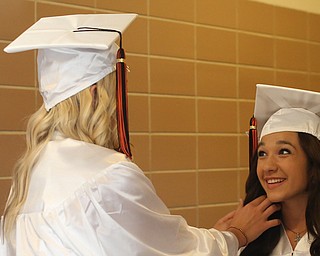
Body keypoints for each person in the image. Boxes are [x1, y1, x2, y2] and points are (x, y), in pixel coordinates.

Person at [0, 14, 280, 255]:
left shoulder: (29, 177)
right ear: (96, 94)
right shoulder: (107, 174)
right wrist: (235, 236)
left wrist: (212, 236)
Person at [239, 84, 320, 256]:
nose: (268, 166)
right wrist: (232, 236)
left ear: (313, 160)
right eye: (262, 154)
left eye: (283, 152)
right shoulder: (249, 236)